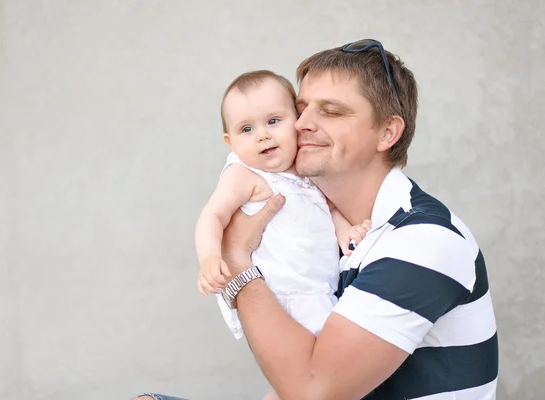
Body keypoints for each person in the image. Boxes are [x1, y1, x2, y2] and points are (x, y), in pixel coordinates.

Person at [134, 39, 498, 400]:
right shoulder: (327, 227)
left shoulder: (422, 240)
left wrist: (236, 258)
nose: (302, 123)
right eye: (301, 107)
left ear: (387, 132)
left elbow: (312, 392)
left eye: (331, 111)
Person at [194, 69, 370, 400]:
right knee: (329, 376)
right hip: (285, 294)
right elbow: (212, 215)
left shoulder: (303, 173)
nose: (262, 135)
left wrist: (349, 234)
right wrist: (209, 258)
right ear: (230, 142)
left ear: (297, 120)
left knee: (314, 378)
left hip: (318, 291)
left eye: (273, 121)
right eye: (246, 129)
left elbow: (329, 212)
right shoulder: (246, 175)